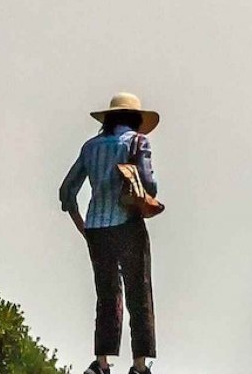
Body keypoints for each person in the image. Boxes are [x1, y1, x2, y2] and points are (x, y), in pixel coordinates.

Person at [59, 92, 160, 374]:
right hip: (127, 224)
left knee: (107, 294)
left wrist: (83, 226)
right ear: (136, 120)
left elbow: (67, 191)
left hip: (96, 227)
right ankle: (139, 364)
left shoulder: (90, 147)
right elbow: (149, 186)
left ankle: (102, 362)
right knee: (139, 292)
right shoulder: (138, 142)